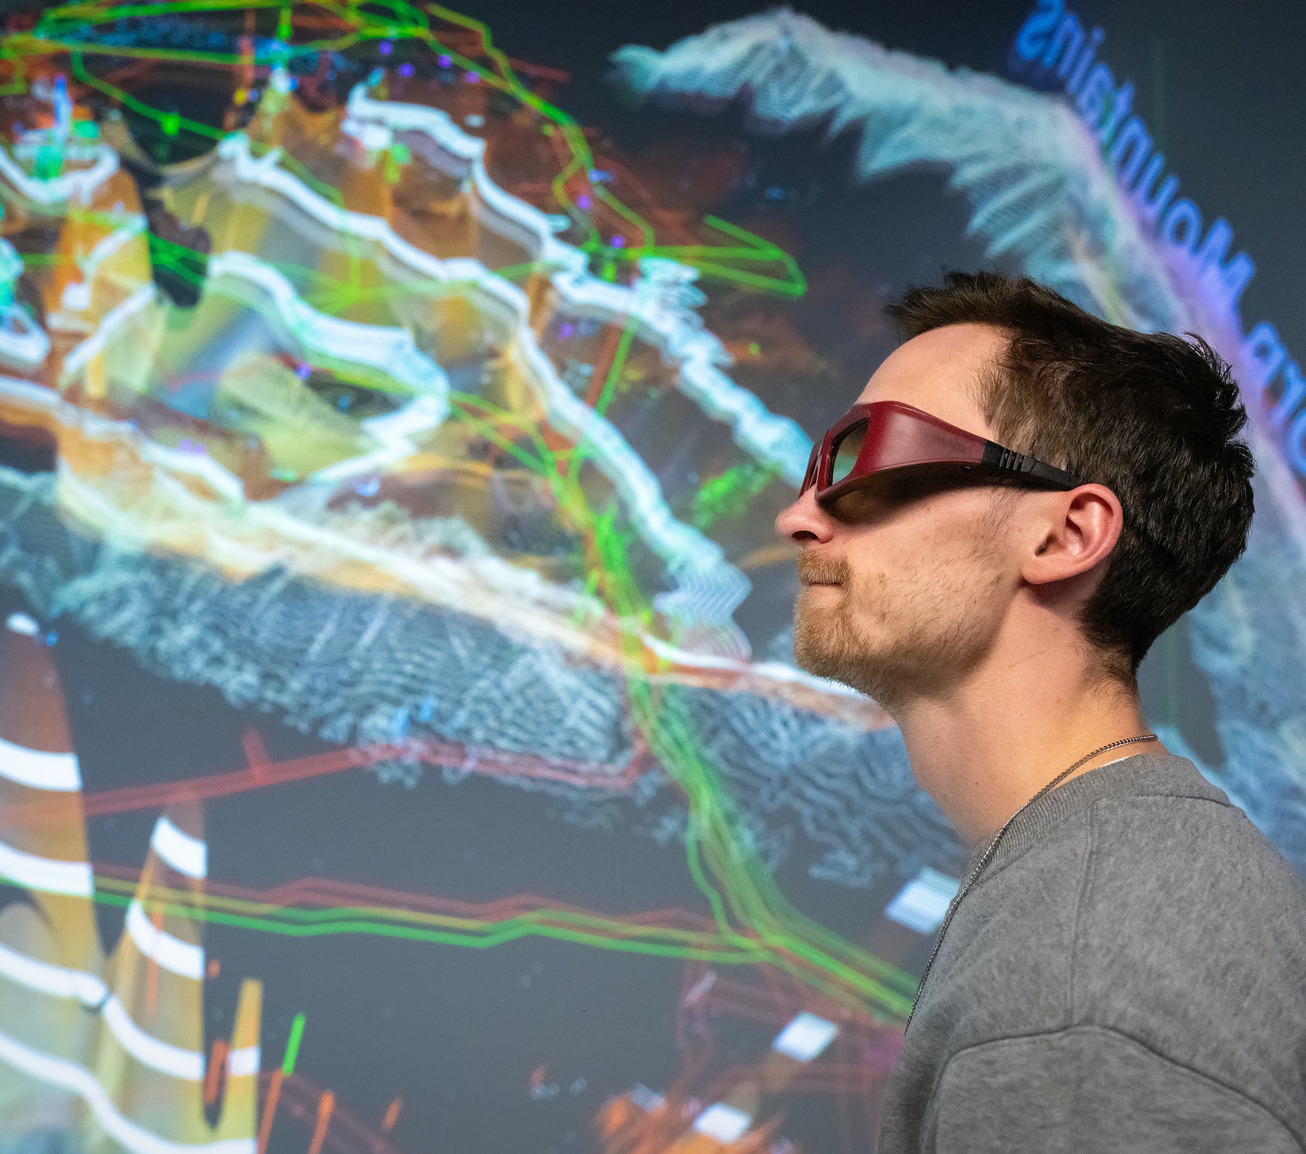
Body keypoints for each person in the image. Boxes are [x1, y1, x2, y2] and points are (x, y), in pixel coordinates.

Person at [774, 271, 1306, 1152]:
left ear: (1065, 536)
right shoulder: (1125, 891)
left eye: (866, 458)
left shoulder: (1068, 992)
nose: (801, 514)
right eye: (816, 466)